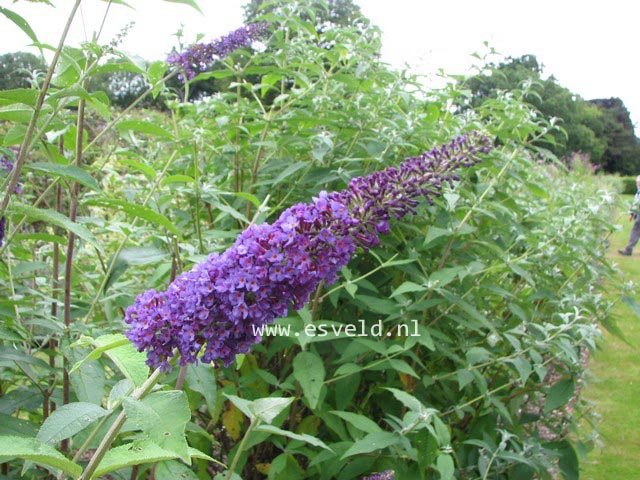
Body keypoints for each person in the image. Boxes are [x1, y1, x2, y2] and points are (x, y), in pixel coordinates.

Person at [619, 175, 640, 255]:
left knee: (635, 230)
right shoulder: (638, 192)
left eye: (639, 183)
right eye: (638, 183)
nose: (638, 185)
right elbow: (636, 203)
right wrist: (632, 214)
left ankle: (628, 250)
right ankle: (628, 249)